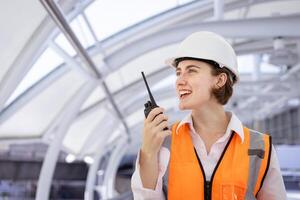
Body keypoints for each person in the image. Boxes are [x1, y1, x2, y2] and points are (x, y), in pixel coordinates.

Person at [131, 31, 286, 200]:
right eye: (178, 72)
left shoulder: (261, 147)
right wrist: (148, 151)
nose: (179, 81)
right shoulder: (165, 141)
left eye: (191, 71)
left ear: (219, 80)